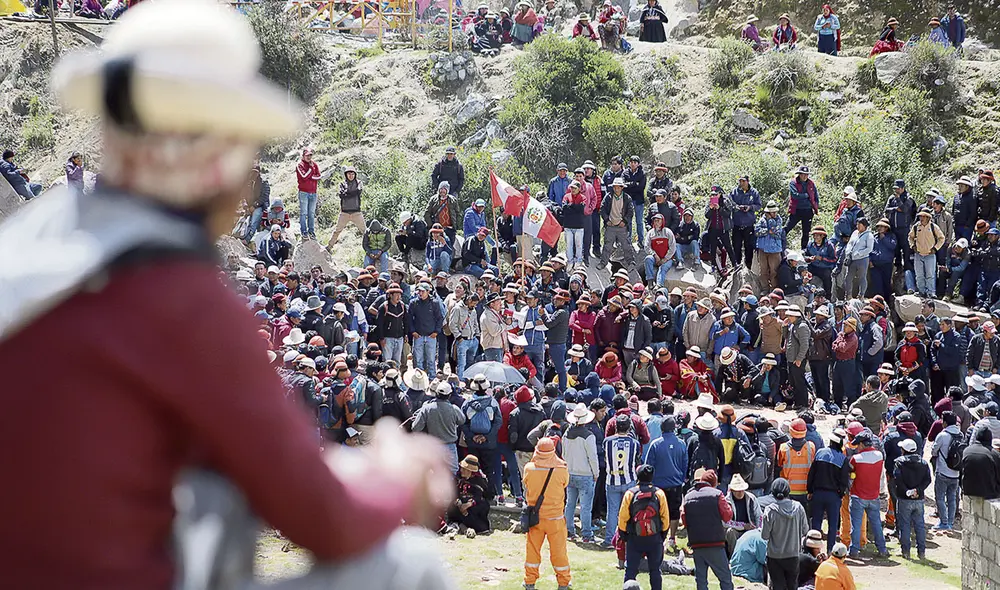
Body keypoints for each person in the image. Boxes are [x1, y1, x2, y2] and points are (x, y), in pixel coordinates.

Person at [1, 3, 455, 588]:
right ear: (219, 157)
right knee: (409, 568)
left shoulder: (28, 244)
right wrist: (395, 473)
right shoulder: (173, 293)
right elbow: (328, 518)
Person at [522, 437, 572, 590]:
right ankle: (563, 582)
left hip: (535, 518)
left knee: (532, 551)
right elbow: (565, 484)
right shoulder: (562, 468)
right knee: (559, 552)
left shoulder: (529, 468)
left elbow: (526, 483)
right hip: (555, 519)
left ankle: (530, 581)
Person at [618, 464, 671, 590]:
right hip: (654, 537)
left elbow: (622, 517)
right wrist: (662, 535)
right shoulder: (659, 493)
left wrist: (624, 536)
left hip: (634, 538)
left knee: (630, 570)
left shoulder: (630, 493)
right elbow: (665, 518)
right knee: (655, 570)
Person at [681, 469, 735, 590]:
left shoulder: (688, 497)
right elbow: (727, 516)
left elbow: (684, 520)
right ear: (714, 483)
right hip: (715, 543)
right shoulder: (717, 494)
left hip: (696, 544)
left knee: (701, 581)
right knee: (725, 578)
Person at [643, 415, 686, 551]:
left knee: (657, 512)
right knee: (674, 513)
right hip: (676, 484)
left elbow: (648, 466)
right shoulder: (681, 443)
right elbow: (685, 464)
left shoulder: (656, 444)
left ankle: (658, 537)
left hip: (658, 486)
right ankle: (672, 538)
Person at [761, 478, 809, 590]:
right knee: (793, 586)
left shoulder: (770, 510)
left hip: (774, 556)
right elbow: (805, 530)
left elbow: (764, 536)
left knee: (778, 586)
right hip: (793, 554)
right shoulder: (799, 508)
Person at [808, 430, 850, 553]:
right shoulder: (843, 459)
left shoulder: (820, 453)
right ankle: (830, 550)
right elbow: (844, 481)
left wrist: (810, 490)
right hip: (833, 496)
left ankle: (813, 550)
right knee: (832, 525)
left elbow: (812, 474)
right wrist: (840, 494)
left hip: (818, 493)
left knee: (816, 523)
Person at [604, 414, 642, 548]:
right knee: (629, 511)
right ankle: (628, 538)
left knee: (612, 511)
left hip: (612, 480)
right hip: (629, 480)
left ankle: (609, 539)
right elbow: (637, 459)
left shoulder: (607, 442)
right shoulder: (635, 443)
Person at [563, 404, 600, 542]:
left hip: (570, 472)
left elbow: (564, 454)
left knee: (570, 504)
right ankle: (586, 534)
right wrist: (596, 473)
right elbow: (593, 457)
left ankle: (569, 530)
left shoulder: (566, 434)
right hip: (585, 474)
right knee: (585, 507)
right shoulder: (589, 436)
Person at [848, 433, 888, 557]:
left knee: (856, 525)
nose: (856, 448)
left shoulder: (856, 458)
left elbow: (851, 474)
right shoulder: (879, 456)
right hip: (874, 496)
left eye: (857, 445)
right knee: (876, 523)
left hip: (858, 496)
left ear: (861, 444)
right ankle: (882, 549)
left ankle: (854, 550)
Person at [892, 438, 931, 559]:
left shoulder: (899, 462)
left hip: (904, 499)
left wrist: (907, 491)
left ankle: (906, 552)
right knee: (919, 525)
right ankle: (921, 552)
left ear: (904, 450)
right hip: (918, 499)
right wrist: (918, 490)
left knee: (904, 525)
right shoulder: (923, 463)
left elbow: (897, 478)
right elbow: (928, 480)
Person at [446, 455, 494, 535]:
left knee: (482, 507)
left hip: (473, 506)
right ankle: (461, 525)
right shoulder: (458, 479)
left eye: (464, 469)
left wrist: (469, 504)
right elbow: (454, 494)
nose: (461, 470)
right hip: (459, 505)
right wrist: (459, 503)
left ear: (470, 471)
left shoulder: (479, 481)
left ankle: (466, 526)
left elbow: (481, 496)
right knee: (453, 508)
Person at [931, 411, 962, 530]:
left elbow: (934, 451)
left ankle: (943, 522)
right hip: (956, 473)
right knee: (952, 498)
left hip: (943, 471)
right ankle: (950, 522)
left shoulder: (942, 435)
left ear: (945, 423)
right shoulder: (961, 435)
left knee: (940, 498)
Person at [908, 208, 946, 297]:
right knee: (919, 275)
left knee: (930, 274)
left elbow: (942, 238)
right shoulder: (916, 227)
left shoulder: (933, 227)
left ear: (928, 218)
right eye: (921, 216)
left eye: (924, 216)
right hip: (918, 254)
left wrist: (935, 248)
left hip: (930, 254)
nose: (922, 218)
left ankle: (931, 292)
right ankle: (921, 291)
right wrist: (913, 246)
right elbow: (910, 237)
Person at [600, 177, 635, 271]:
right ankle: (603, 262)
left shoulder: (627, 198)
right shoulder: (608, 197)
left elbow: (630, 211)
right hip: (610, 225)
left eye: (618, 187)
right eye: (614, 187)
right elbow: (602, 209)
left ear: (622, 187)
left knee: (626, 245)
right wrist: (606, 220)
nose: (616, 189)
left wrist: (625, 221)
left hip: (621, 226)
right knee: (607, 245)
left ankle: (630, 262)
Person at [755, 200, 785, 292]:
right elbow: (757, 231)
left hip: (775, 250)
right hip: (763, 249)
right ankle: (765, 288)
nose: (775, 213)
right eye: (773, 212)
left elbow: (777, 232)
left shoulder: (779, 220)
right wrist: (768, 231)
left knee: (774, 271)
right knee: (763, 271)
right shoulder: (762, 220)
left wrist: (770, 223)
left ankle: (774, 288)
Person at [786, 166, 819, 249]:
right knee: (787, 228)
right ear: (799, 174)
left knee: (806, 232)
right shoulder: (793, 183)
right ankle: (780, 245)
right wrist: (806, 195)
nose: (804, 176)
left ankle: (803, 250)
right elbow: (795, 195)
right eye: (803, 174)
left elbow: (816, 196)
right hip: (796, 210)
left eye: (806, 175)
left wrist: (815, 206)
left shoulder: (811, 183)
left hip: (808, 211)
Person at [295, 148, 322, 240]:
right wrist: (310, 170)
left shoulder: (315, 164)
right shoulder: (300, 165)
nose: (309, 157)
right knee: (303, 213)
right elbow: (304, 176)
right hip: (303, 193)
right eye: (307, 155)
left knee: (311, 213)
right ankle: (304, 232)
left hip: (313, 192)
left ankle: (311, 232)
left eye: (310, 155)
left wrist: (310, 176)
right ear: (303, 156)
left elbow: (319, 176)